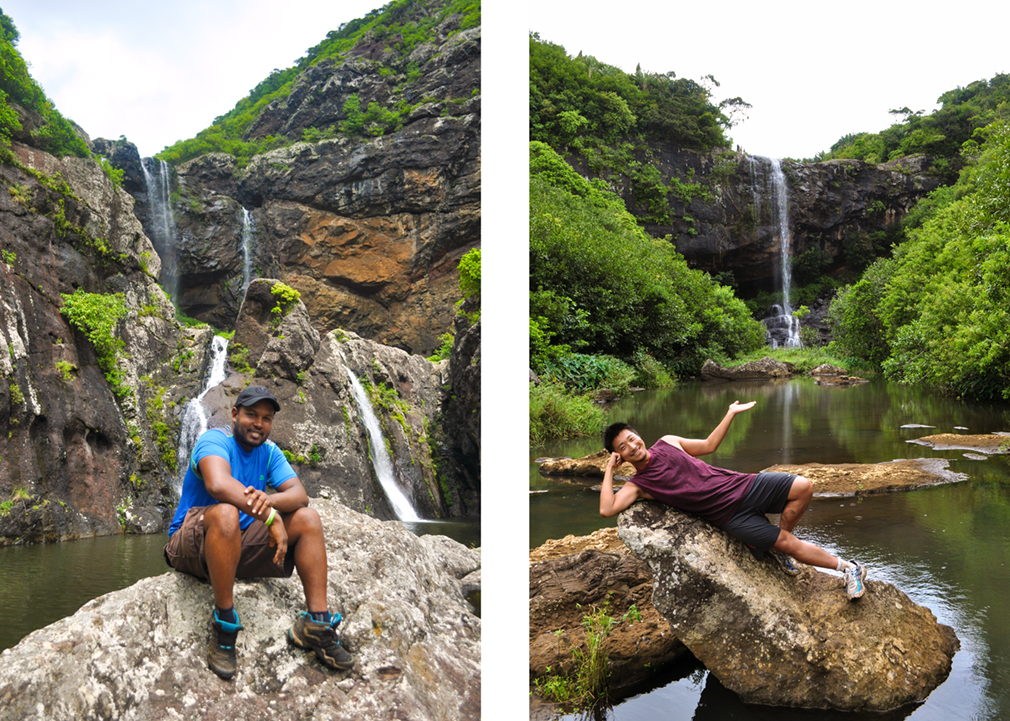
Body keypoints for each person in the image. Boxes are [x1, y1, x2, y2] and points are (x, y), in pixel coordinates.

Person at [164, 385, 354, 680]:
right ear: (235, 414)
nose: (259, 423)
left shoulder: (268, 452)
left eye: (266, 418)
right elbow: (217, 484)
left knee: (308, 519)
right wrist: (269, 516)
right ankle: (225, 624)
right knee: (226, 511)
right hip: (190, 543)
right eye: (251, 414)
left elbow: (299, 494)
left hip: (235, 546)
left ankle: (317, 625)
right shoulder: (214, 439)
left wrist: (271, 502)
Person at [600, 401, 867, 600]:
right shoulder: (638, 485)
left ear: (638, 435)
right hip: (730, 518)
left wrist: (729, 414)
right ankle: (849, 569)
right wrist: (610, 470)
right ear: (619, 455)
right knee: (789, 543)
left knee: (804, 486)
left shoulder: (668, 442)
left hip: (745, 485)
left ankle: (779, 547)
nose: (633, 447)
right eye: (623, 448)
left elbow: (709, 445)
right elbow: (607, 509)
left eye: (632, 439)